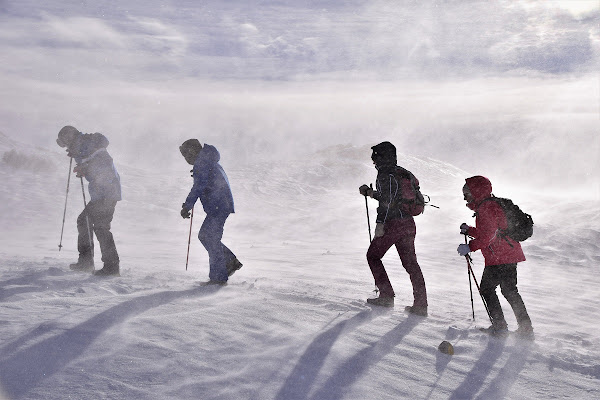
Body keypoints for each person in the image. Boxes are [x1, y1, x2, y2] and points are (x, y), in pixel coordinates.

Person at [457, 175, 534, 339]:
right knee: (509, 290)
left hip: (500, 256)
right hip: (508, 254)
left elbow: (489, 237)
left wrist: (469, 247)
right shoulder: (490, 205)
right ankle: (525, 329)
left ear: (476, 191)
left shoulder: (486, 208)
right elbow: (491, 232)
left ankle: (500, 327)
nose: (465, 197)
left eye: (467, 193)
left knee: (487, 289)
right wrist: (470, 231)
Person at [359, 141, 428, 315]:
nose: (374, 162)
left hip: (393, 223)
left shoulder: (385, 174)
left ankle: (386, 296)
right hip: (408, 223)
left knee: (373, 256)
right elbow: (392, 197)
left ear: (381, 158)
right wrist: (370, 193)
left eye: (375, 158)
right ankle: (421, 305)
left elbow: (387, 202)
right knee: (411, 264)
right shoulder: (402, 173)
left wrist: (380, 224)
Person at [56, 125, 121, 276]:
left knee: (100, 226)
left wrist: (85, 168)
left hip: (107, 192)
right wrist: (84, 168)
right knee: (85, 221)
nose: (66, 146)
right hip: (102, 193)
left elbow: (104, 164)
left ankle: (110, 267)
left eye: (65, 142)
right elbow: (94, 165)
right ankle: (88, 262)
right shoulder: (82, 146)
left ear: (69, 137)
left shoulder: (89, 143)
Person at [179, 139, 242, 284]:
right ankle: (230, 262)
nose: (186, 159)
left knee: (209, 238)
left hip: (218, 206)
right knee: (207, 236)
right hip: (220, 205)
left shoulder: (203, 164)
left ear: (192, 152)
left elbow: (198, 188)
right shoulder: (207, 161)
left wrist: (187, 206)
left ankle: (219, 278)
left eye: (186, 154)